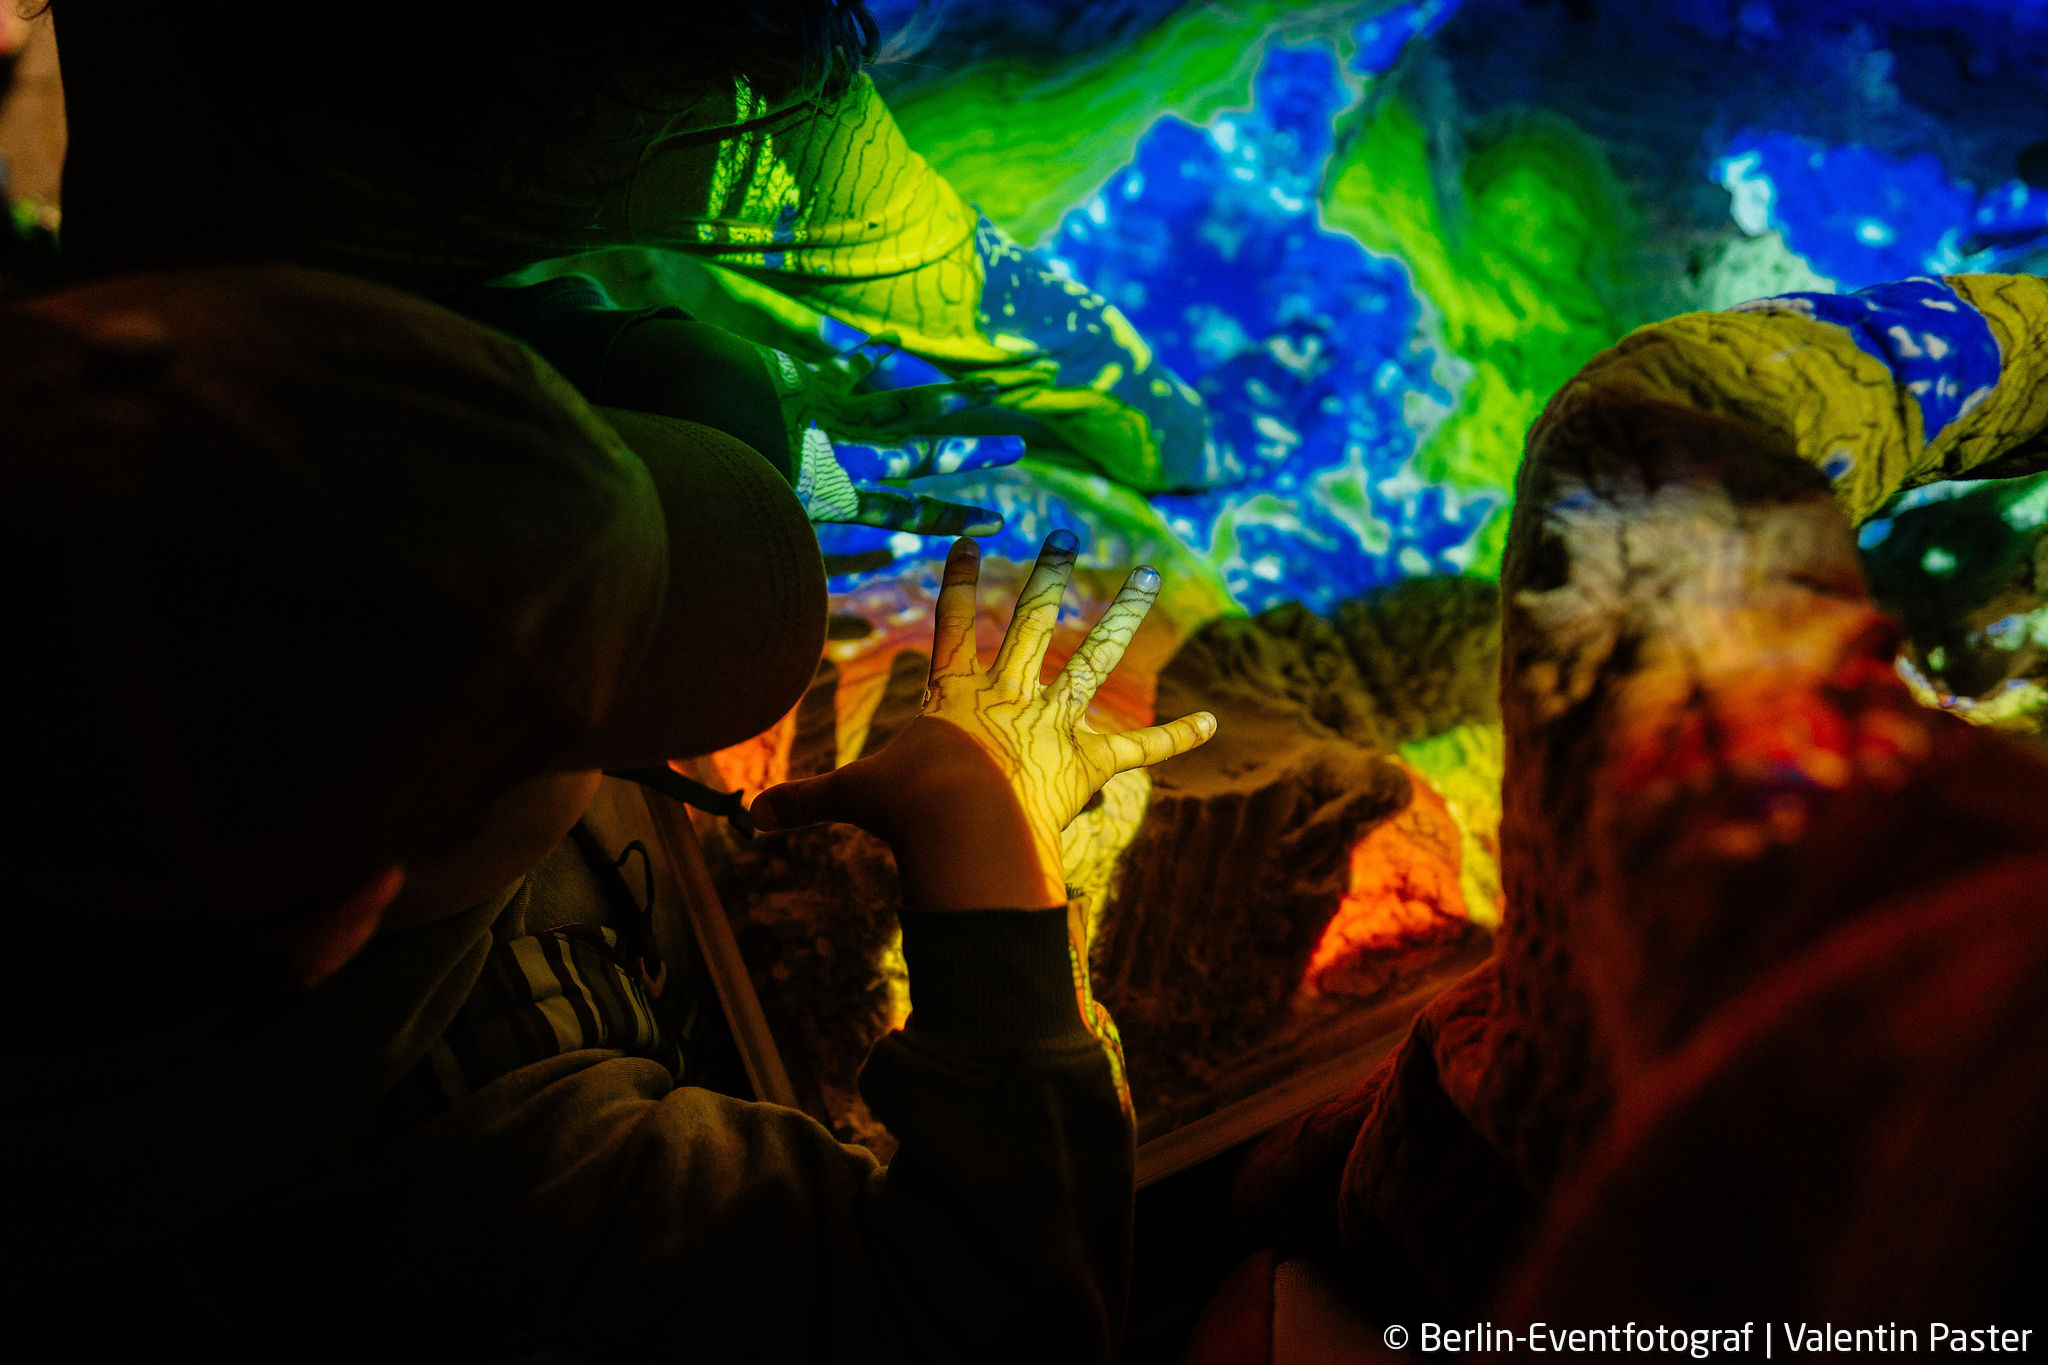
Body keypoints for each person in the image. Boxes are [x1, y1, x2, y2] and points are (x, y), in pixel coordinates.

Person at [0, 265, 1216, 1360]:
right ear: (345, 915)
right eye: (613, 699)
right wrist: (995, 871)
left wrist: (695, 395)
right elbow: (1000, 1329)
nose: (653, 714)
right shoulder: (477, 1172)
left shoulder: (83, 460)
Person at [1212, 274, 2048, 1347]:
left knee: (1269, 1221)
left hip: (1443, 1244)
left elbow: (1654, 433)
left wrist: (2026, 343)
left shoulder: (1920, 893)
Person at [44, 0, 1225, 500]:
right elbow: (982, 305)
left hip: (153, 252)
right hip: (290, 389)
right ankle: (1176, 450)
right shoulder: (734, 109)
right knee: (760, 383)